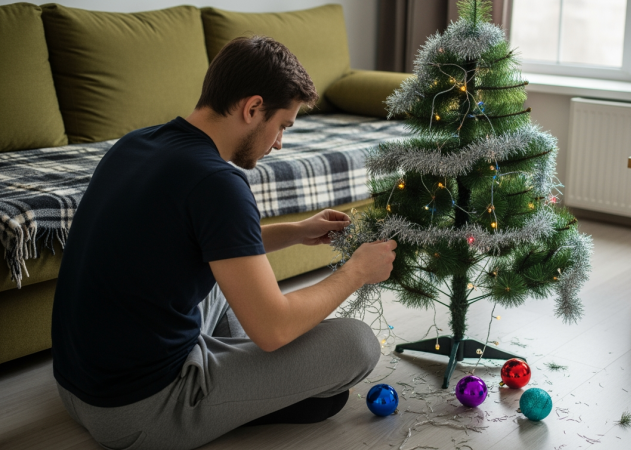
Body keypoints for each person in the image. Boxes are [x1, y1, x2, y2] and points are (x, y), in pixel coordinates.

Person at [51, 35, 397, 450]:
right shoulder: (218, 182)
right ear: (253, 108)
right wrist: (357, 271)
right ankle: (237, 387)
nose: (279, 142)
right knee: (356, 344)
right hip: (137, 411)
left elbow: (193, 242)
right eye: (282, 125)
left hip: (75, 388)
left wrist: (296, 230)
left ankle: (237, 372)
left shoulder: (137, 143)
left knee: (223, 277)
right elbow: (273, 330)